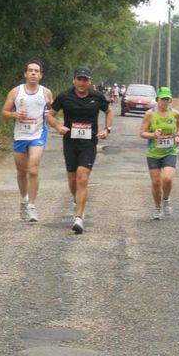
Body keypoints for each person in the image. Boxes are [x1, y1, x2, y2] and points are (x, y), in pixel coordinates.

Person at [46, 67, 113, 234]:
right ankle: (77, 201)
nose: (82, 83)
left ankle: (79, 218)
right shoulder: (65, 96)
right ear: (74, 80)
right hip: (70, 142)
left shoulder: (97, 97)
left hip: (89, 143)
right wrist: (57, 127)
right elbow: (49, 114)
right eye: (79, 79)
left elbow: (109, 111)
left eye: (85, 80)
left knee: (82, 177)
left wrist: (107, 129)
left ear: (90, 82)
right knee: (72, 181)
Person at [1, 60, 53, 222]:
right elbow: (3, 113)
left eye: (36, 71)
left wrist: (50, 115)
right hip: (20, 135)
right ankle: (24, 199)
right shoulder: (16, 92)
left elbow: (52, 112)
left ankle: (32, 205)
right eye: (30, 70)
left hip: (38, 134)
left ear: (40, 75)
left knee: (33, 169)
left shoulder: (46, 93)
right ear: (25, 74)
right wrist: (15, 115)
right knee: (21, 172)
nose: (33, 73)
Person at [140, 87, 179, 220]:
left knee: (168, 178)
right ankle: (158, 209)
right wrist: (153, 135)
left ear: (170, 100)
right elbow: (142, 133)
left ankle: (166, 199)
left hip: (170, 151)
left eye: (167, 99)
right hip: (153, 153)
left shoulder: (175, 113)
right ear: (157, 99)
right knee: (156, 183)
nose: (164, 101)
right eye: (162, 99)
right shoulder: (150, 114)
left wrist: (178, 136)